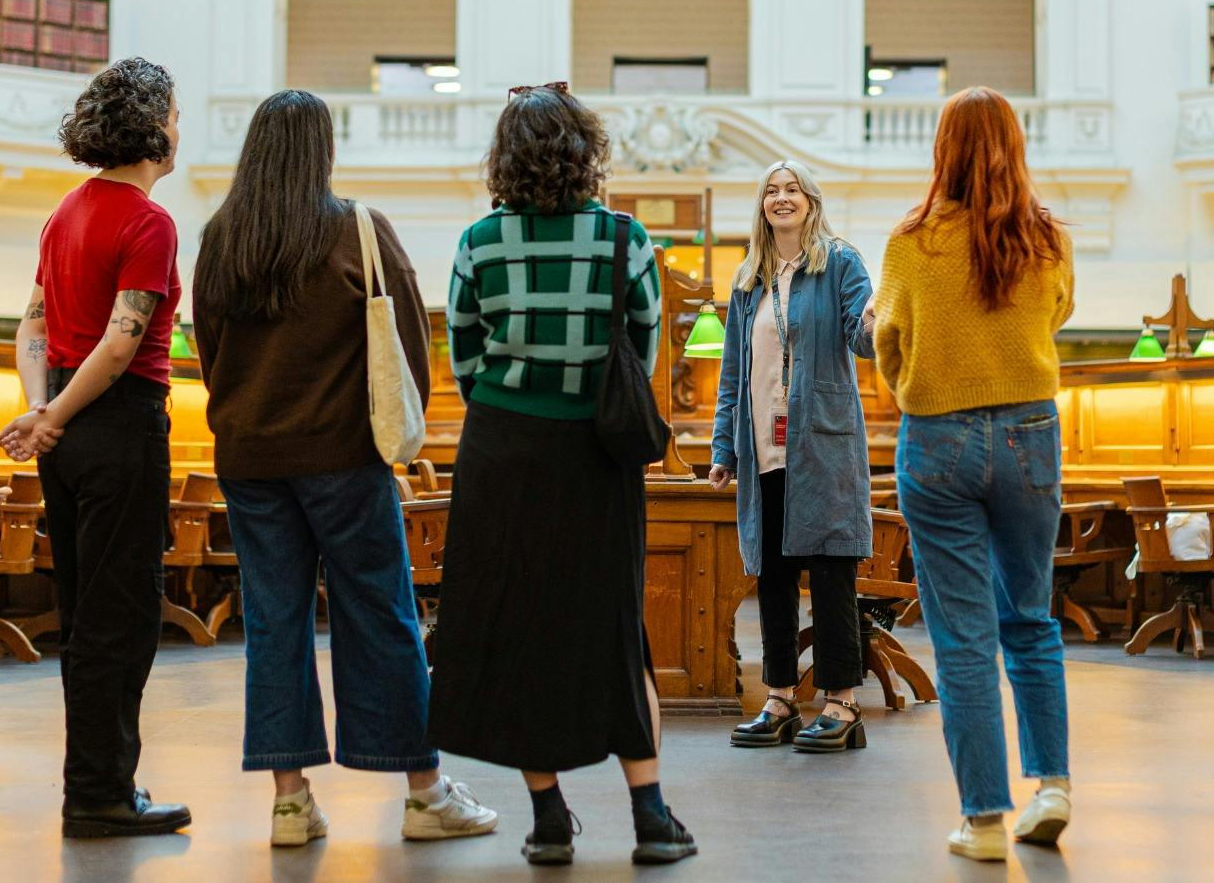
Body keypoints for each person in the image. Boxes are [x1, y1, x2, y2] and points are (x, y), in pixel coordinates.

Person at [189, 89, 497, 848]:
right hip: (344, 459)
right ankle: (424, 792)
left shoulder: (223, 236)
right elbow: (408, 351)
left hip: (250, 460)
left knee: (273, 622)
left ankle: (290, 803)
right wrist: (401, 430)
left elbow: (208, 349)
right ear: (323, 150)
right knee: (380, 614)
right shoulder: (357, 229)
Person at [427, 84, 696, 867]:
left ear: (505, 158)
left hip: (502, 454)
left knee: (516, 629)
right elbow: (643, 351)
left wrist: (516, 403)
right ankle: (651, 818)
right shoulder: (625, 238)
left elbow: (466, 360)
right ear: (586, 154)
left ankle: (548, 820)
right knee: (612, 628)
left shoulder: (480, 240)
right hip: (595, 456)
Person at [872, 86, 1075, 862]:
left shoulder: (910, 242)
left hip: (938, 440)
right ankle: (1052, 787)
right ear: (1015, 146)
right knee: (1030, 617)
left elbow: (890, 339)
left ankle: (984, 820)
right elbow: (1056, 313)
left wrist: (920, 377)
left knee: (962, 638)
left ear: (943, 150)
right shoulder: (1048, 238)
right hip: (1030, 431)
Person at [0, 57, 191, 838]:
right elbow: (121, 345)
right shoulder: (149, 222)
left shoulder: (63, 213)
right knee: (124, 614)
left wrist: (43, 410)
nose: (179, 129)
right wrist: (54, 414)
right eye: (174, 114)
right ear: (151, 125)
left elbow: (34, 327)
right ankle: (104, 794)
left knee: (83, 613)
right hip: (120, 424)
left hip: (69, 433)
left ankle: (93, 785)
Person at [707, 160, 875, 753]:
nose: (782, 198)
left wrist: (883, 319)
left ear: (811, 201)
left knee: (830, 572)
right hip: (762, 449)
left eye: (792, 190)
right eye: (771, 191)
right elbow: (733, 373)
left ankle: (840, 703)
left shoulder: (840, 263)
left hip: (822, 443)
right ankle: (779, 698)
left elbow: (863, 337)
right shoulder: (748, 277)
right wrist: (723, 446)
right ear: (761, 206)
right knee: (772, 577)